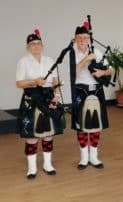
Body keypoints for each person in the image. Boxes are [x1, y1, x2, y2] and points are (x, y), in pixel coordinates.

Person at [16, 29, 64, 179]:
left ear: (42, 45)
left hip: (48, 98)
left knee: (48, 134)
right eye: (32, 44)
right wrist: (34, 81)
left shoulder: (49, 60)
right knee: (32, 135)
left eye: (38, 43)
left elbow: (55, 80)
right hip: (32, 99)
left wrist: (56, 96)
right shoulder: (23, 62)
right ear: (28, 47)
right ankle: (31, 168)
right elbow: (19, 83)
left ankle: (47, 164)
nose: (36, 46)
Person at [69, 22, 113, 170]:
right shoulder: (72, 52)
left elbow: (110, 70)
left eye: (85, 37)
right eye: (80, 37)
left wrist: (102, 72)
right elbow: (73, 72)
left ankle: (94, 157)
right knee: (80, 125)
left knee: (95, 124)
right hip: (80, 91)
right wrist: (87, 58)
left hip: (96, 90)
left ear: (88, 38)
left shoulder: (97, 51)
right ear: (75, 38)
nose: (82, 40)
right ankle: (83, 158)